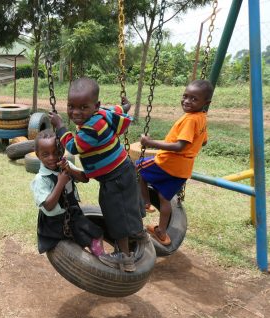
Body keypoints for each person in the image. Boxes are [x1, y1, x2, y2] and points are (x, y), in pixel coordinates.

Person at [49, 77, 144, 272]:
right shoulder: (102, 113)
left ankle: (125, 258)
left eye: (83, 107)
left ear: (95, 106)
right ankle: (139, 233)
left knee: (116, 213)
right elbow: (117, 110)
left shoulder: (92, 128)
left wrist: (60, 126)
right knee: (128, 205)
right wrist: (125, 106)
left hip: (114, 177)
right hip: (122, 170)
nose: (76, 112)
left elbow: (72, 146)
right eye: (71, 106)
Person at [137, 79, 212, 246]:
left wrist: (151, 143)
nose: (187, 101)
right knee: (164, 198)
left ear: (206, 103)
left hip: (168, 163)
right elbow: (204, 141)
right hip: (183, 170)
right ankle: (161, 233)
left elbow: (179, 146)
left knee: (137, 168)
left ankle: (145, 202)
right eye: (185, 96)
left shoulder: (191, 119)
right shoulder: (202, 118)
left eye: (194, 99)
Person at [30, 129, 105, 257]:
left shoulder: (66, 165)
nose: (52, 157)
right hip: (55, 221)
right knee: (90, 235)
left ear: (62, 150)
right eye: (46, 154)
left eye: (55, 152)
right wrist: (60, 182)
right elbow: (48, 205)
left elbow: (85, 178)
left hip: (73, 212)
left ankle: (97, 257)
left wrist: (70, 170)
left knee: (96, 230)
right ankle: (99, 258)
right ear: (38, 155)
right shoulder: (40, 179)